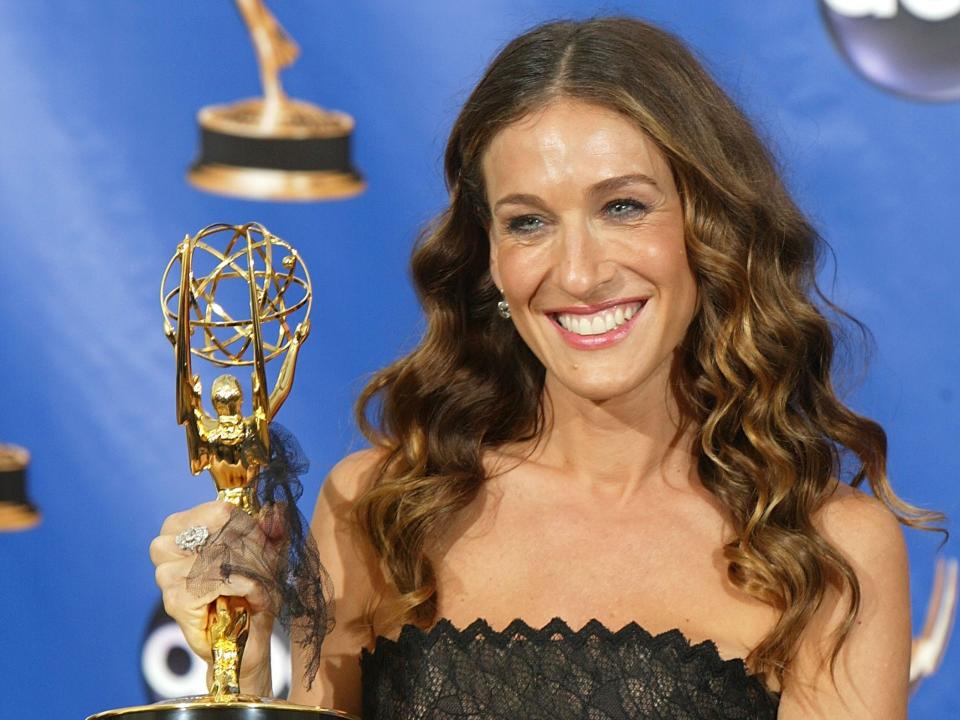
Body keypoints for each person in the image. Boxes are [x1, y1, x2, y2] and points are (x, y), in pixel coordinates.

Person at [151, 16, 943, 719]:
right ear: (488, 261)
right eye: (527, 222)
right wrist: (248, 666)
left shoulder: (824, 551)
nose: (577, 273)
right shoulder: (379, 510)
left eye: (623, 207)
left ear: (712, 229)